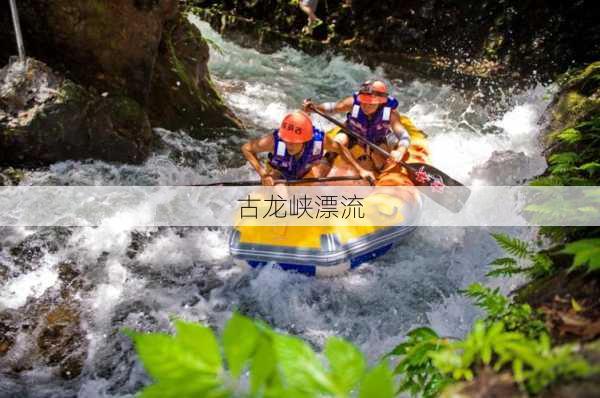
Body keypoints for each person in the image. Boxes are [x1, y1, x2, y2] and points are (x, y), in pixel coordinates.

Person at [303, 80, 415, 173]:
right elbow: (333, 107)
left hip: (375, 139)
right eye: (363, 102)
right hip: (352, 133)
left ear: (380, 102)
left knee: (382, 161)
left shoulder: (390, 113)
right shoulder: (353, 103)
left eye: (370, 103)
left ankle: (376, 177)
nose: (365, 106)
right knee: (338, 141)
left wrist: (400, 151)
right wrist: (315, 108)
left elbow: (404, 135)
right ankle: (320, 176)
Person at [242, 111, 375, 186]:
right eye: (287, 141)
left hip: (305, 170)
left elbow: (340, 148)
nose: (289, 145)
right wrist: (263, 173)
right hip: (279, 173)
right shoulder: (274, 140)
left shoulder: (319, 140)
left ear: (306, 140)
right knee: (278, 188)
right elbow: (246, 148)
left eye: (294, 142)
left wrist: (360, 170)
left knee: (320, 179)